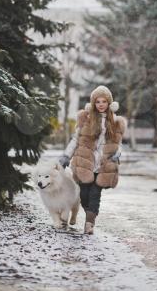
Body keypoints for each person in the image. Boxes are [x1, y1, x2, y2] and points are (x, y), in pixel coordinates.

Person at [59, 85, 127, 234]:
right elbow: (75, 139)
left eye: (104, 101)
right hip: (85, 164)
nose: (101, 104)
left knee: (95, 195)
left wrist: (118, 154)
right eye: (98, 101)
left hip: (104, 165)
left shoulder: (115, 122)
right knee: (84, 196)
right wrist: (66, 156)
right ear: (93, 103)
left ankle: (89, 224)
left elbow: (119, 143)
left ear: (109, 103)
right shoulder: (86, 119)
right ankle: (90, 214)